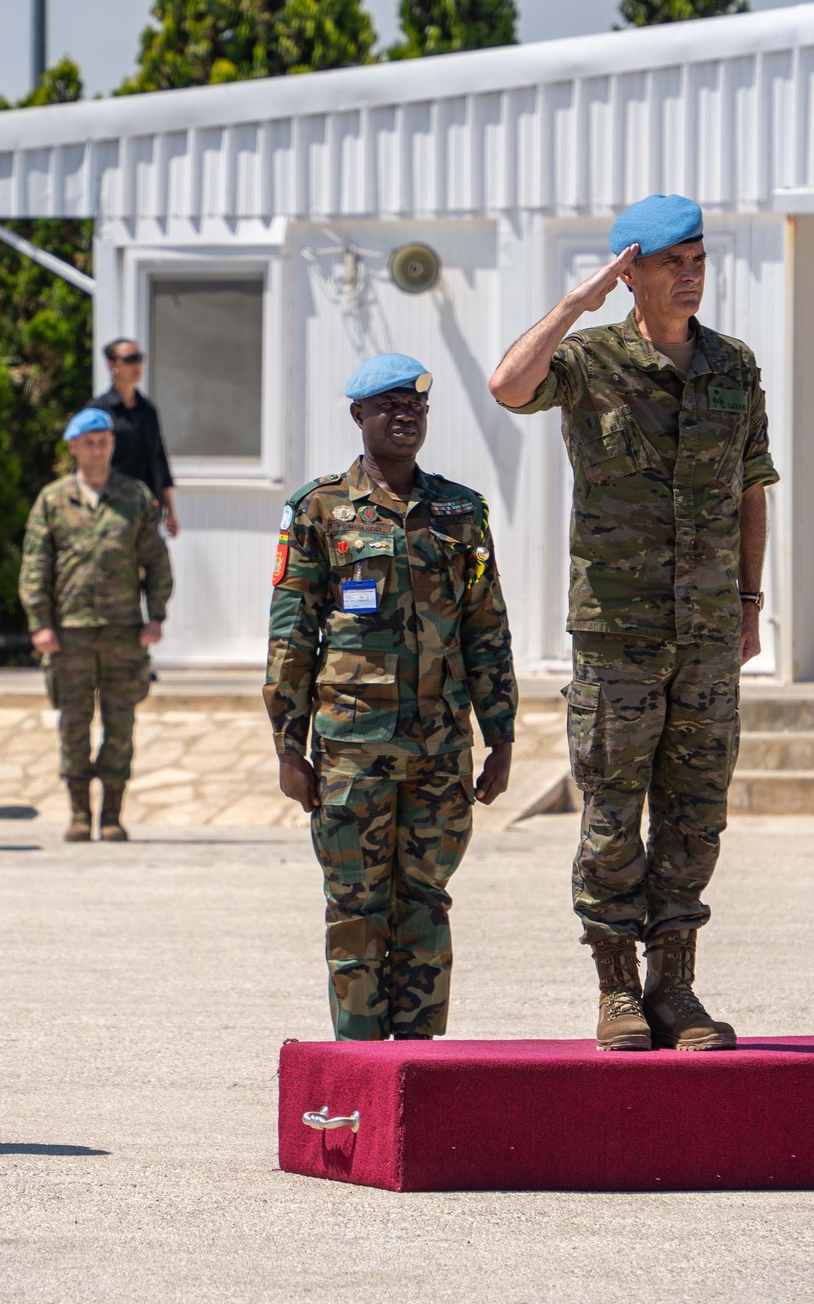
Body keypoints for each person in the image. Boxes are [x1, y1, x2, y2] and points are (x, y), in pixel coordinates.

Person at [489, 194, 777, 1054]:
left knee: (695, 815)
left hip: (708, 632)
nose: (689, 274)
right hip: (617, 632)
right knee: (612, 815)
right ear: (631, 272)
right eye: (669, 261)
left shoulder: (734, 367)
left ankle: (675, 988)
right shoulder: (590, 361)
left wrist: (751, 605)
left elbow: (751, 492)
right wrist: (580, 302)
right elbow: (508, 385)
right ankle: (616, 988)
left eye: (698, 258)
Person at [265, 353, 518, 1042]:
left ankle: (416, 1060)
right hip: (352, 750)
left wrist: (502, 736)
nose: (406, 417)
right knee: (355, 905)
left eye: (417, 408)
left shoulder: (460, 512)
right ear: (359, 416)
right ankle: (358, 1060)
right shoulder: (319, 509)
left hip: (440, 748)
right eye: (390, 407)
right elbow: (293, 635)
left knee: (425, 905)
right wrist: (289, 747)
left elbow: (486, 627)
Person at [20, 406, 174, 842]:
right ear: (73, 447)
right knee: (73, 723)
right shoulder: (52, 500)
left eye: (103, 441)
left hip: (123, 631)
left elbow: (155, 559)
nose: (97, 448)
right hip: (69, 633)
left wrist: (156, 615)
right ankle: (78, 813)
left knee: (120, 724)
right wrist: (40, 623)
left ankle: (111, 814)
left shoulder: (135, 497)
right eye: (88, 442)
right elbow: (36, 565)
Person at [88, 339, 179, 538]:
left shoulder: (148, 410)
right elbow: (87, 462)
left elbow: (159, 458)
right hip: (112, 508)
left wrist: (171, 511)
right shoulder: (98, 410)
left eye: (139, 358)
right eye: (129, 359)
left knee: (151, 567)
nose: (136, 365)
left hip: (147, 508)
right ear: (111, 365)